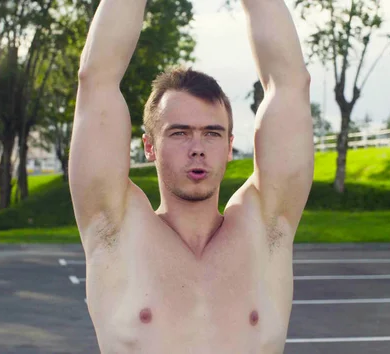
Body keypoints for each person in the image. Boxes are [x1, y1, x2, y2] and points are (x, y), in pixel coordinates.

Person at [69, 0, 314, 352]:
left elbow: (290, 85)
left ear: (230, 146)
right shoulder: (116, 230)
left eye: (212, 133)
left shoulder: (265, 229)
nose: (197, 147)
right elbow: (96, 80)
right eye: (180, 132)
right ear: (150, 146)